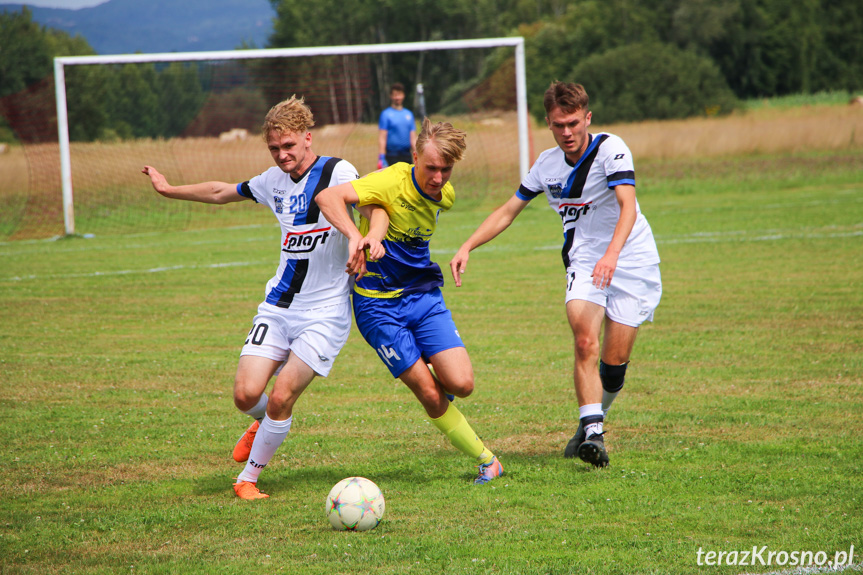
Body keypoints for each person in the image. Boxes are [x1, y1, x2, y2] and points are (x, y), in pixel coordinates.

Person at [142, 95, 386, 499]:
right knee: (245, 395)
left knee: (282, 396)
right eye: (274, 148)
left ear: (308, 138)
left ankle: (248, 479)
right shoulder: (272, 180)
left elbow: (377, 206)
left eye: (288, 146)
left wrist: (367, 237)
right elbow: (222, 191)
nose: (282, 155)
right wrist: (169, 190)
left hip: (324, 313)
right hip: (278, 306)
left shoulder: (337, 170)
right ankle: (263, 422)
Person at [449, 82, 662, 468]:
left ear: (588, 118)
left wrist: (612, 254)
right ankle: (594, 432)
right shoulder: (545, 165)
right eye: (558, 125)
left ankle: (592, 419)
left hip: (632, 259)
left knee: (614, 366)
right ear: (548, 123)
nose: (567, 132)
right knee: (584, 341)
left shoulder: (611, 149)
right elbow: (508, 211)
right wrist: (467, 245)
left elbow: (627, 206)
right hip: (584, 262)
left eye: (574, 123)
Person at [315, 118, 505, 485]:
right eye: (431, 167)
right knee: (428, 392)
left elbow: (385, 212)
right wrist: (359, 237)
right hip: (378, 307)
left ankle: (431, 375)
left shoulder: (444, 196)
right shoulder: (390, 179)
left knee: (462, 384)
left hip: (423, 297)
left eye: (446, 169)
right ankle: (487, 459)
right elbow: (329, 197)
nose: (437, 177)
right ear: (415, 155)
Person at [377, 82, 417, 169]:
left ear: (403, 95)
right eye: (395, 95)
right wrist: (381, 157)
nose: (397, 97)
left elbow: (413, 138)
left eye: (399, 94)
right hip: (391, 156)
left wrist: (418, 154)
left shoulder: (409, 114)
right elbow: (382, 137)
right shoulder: (385, 114)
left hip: (406, 155)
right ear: (391, 96)